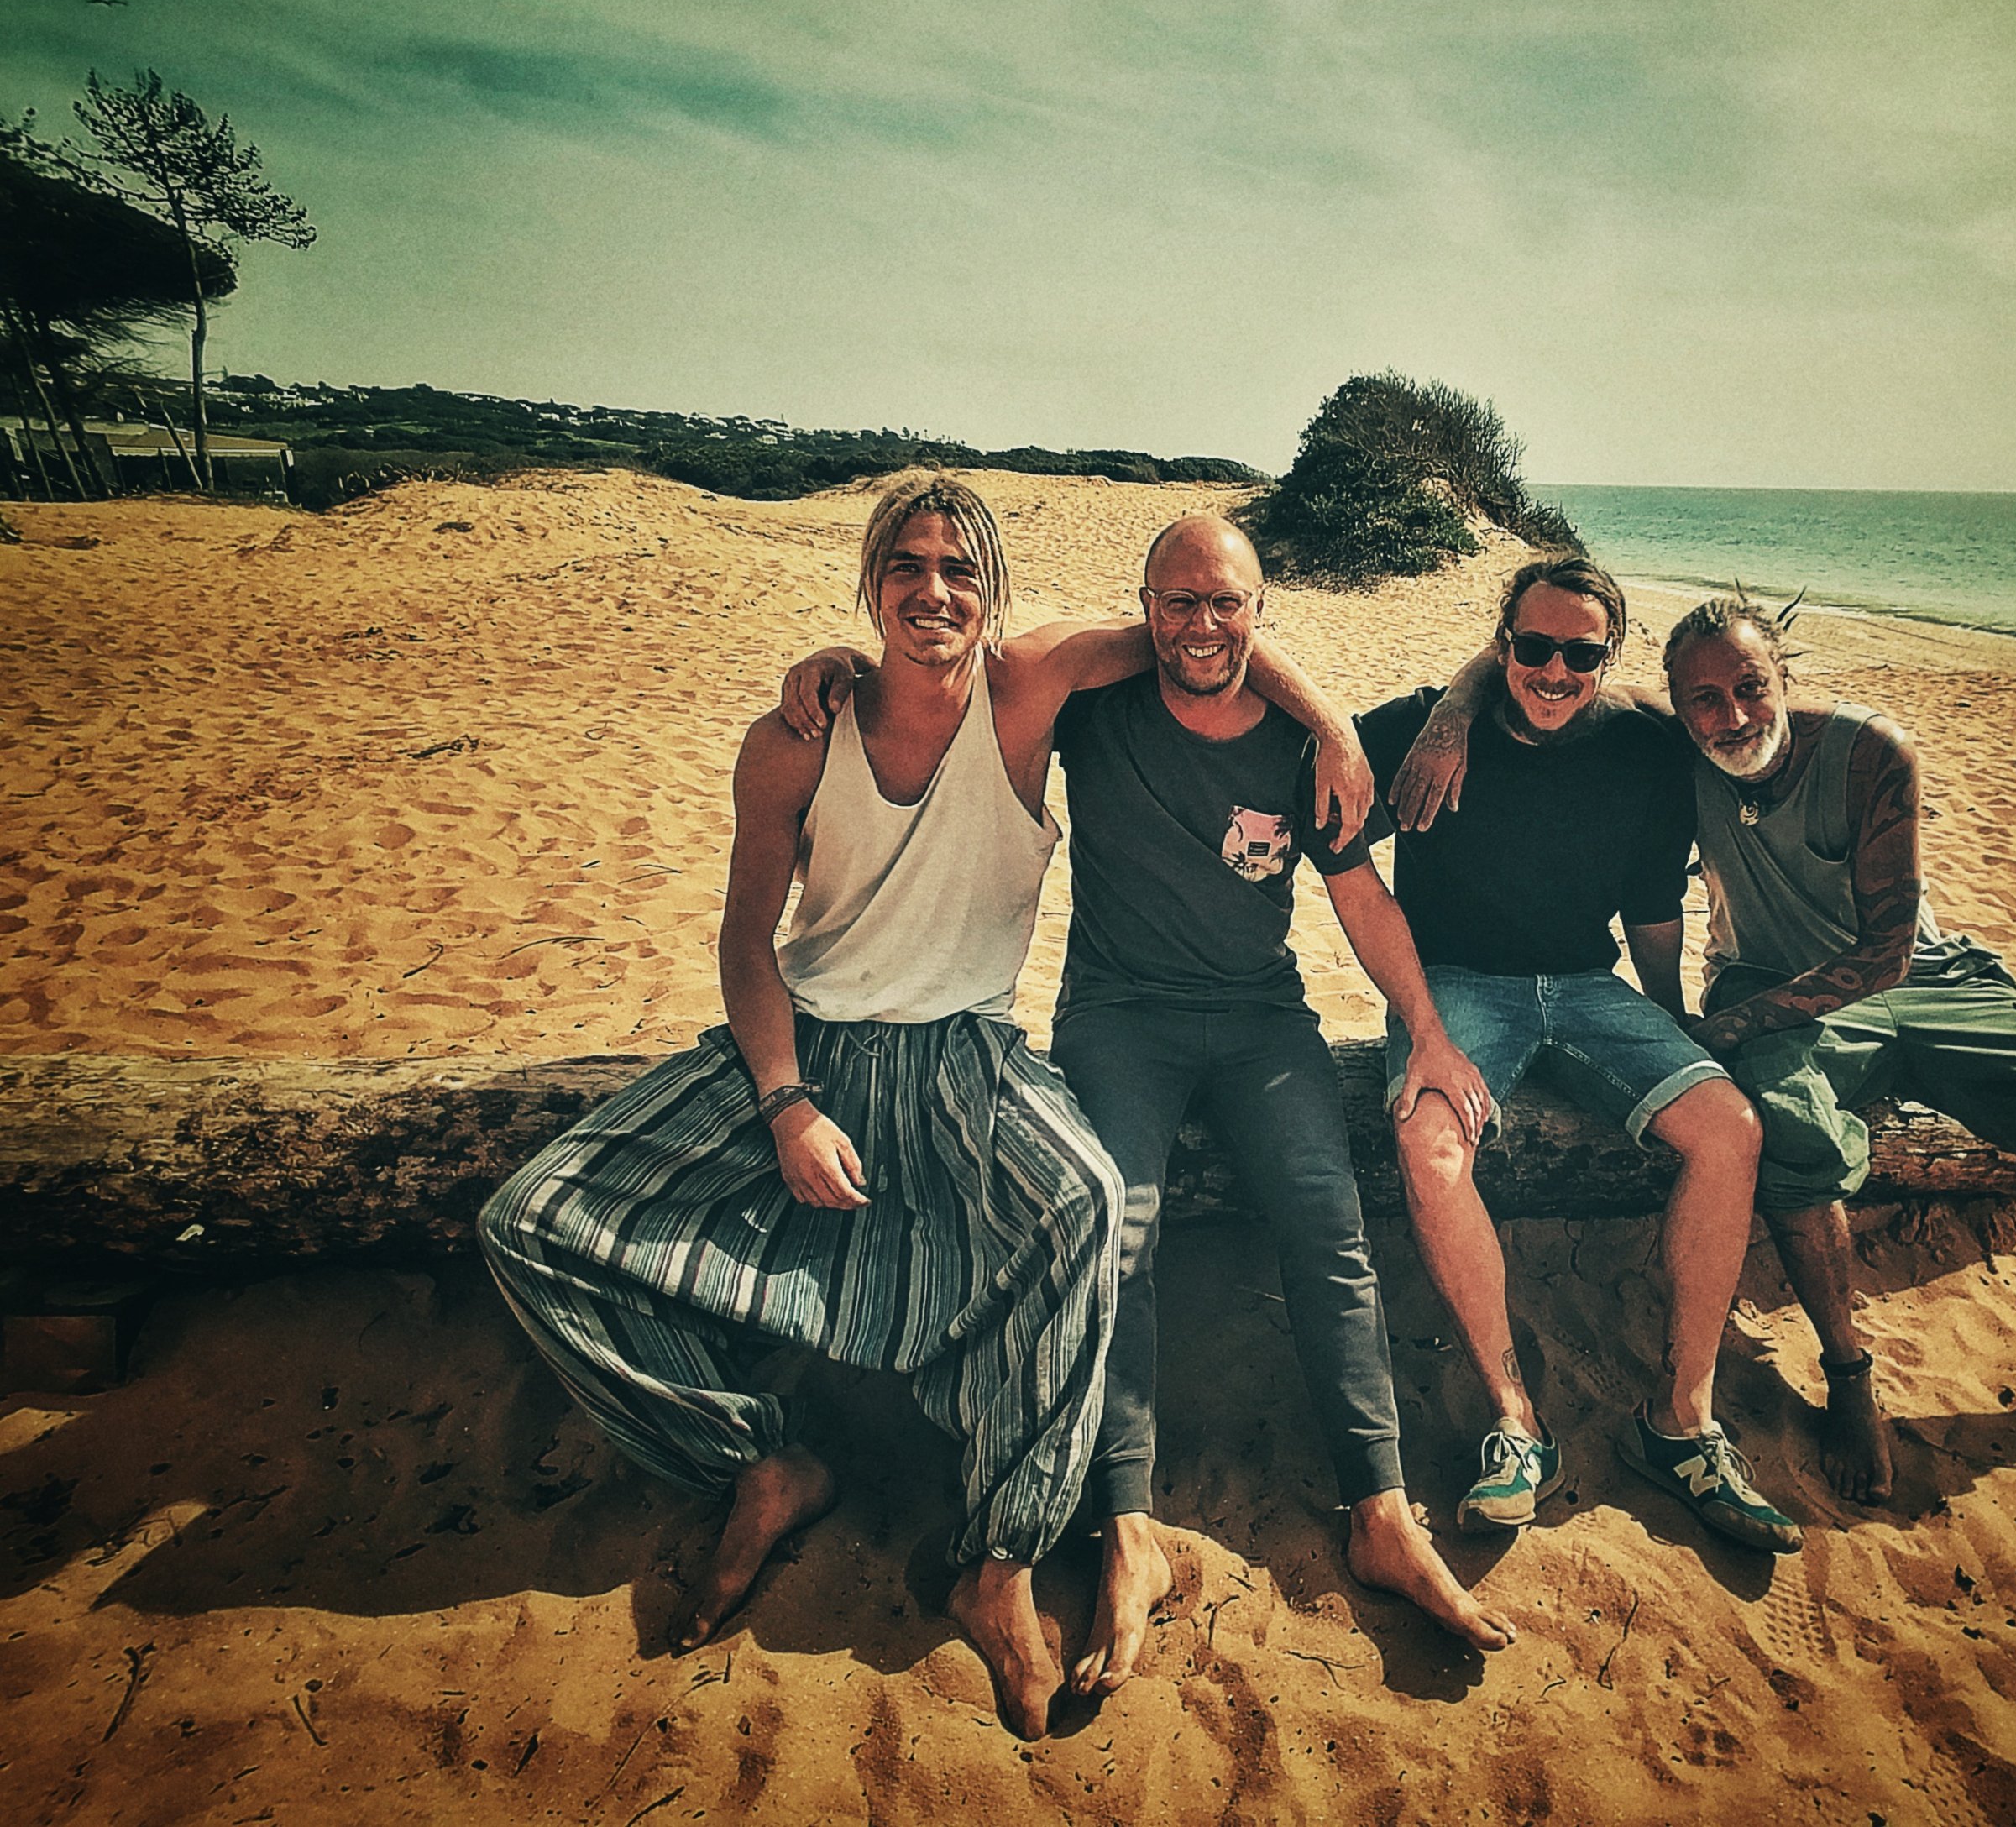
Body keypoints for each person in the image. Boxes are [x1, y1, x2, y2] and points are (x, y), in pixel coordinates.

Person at [480, 475, 1367, 1742]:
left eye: (959, 569)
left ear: (992, 590)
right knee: (530, 1222)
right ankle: (756, 1460)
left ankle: (999, 1560)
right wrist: (786, 1105)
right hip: (806, 1044)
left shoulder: (1027, 691)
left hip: (963, 1049)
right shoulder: (795, 736)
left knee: (1087, 1203)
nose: (933, 590)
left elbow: (1202, 624)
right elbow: (745, 943)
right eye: (906, 565)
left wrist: (1331, 724)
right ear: (871, 582)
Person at [782, 513, 1513, 1699]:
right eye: (1178, 602)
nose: (1202, 625)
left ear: (1261, 611)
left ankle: (1380, 1510)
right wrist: (836, 666)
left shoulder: (1300, 745)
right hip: (1119, 1018)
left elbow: (1360, 897)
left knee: (1327, 1224)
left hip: (1264, 1022)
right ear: (1146, 610)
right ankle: (1129, 1522)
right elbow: (957, 675)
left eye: (1227, 603)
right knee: (1118, 1231)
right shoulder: (1099, 707)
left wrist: (1427, 1031)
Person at [1653, 593, 2016, 1499]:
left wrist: (1727, 1028)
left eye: (1750, 686)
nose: (1732, 716)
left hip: (1923, 978)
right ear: (1681, 708)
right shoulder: (1675, 751)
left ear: (1784, 677)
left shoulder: (1868, 753)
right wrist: (1453, 717)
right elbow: (1528, 664)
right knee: (1791, 1138)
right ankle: (1850, 1377)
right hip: (1767, 981)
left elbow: (1888, 953)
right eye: (1705, 700)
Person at [1360, 559, 1803, 1554]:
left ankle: (1680, 1422)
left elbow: (1653, 905)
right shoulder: (1422, 727)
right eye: (1532, 647)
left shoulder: (1645, 747)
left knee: (1730, 1129)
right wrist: (1450, 711)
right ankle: (1516, 1422)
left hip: (1587, 987)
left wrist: (1668, 1022)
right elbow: (1317, 809)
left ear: (1610, 656)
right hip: (1458, 985)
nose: (1554, 672)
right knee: (1430, 1146)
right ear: (1501, 642)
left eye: (1581, 654)